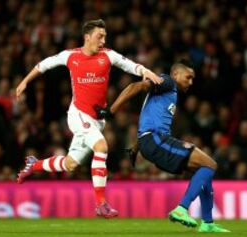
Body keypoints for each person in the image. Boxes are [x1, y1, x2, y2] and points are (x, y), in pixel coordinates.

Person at [15, 19, 162, 218]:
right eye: (99, 36)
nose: (103, 40)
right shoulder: (70, 56)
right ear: (87, 37)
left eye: (105, 37)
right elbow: (44, 65)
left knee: (71, 164)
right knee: (101, 147)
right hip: (77, 115)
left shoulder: (108, 56)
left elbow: (131, 66)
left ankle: (35, 165)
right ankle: (101, 203)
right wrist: (24, 81)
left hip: (97, 121)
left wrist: (146, 71)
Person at [96, 60, 230, 232]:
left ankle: (208, 223)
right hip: (155, 140)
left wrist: (137, 147)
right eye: (188, 77)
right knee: (210, 164)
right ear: (175, 74)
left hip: (151, 141)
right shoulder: (167, 82)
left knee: (203, 171)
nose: (191, 82)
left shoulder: (168, 94)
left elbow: (148, 118)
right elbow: (135, 87)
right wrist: (111, 111)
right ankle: (182, 209)